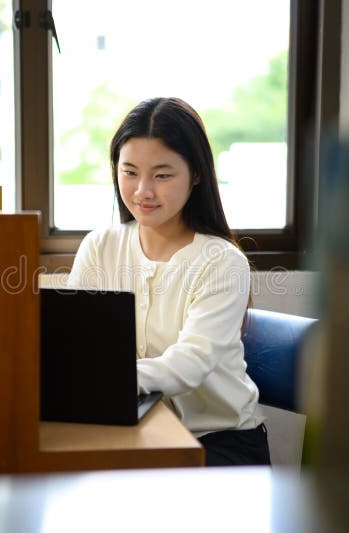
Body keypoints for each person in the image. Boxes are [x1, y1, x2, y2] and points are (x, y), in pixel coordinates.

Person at [67, 97, 270, 466]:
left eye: (162, 175)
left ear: (196, 174)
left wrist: (107, 379)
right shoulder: (100, 246)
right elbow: (77, 347)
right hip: (132, 428)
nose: (143, 190)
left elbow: (190, 363)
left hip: (220, 441)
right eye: (129, 172)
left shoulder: (222, 262)